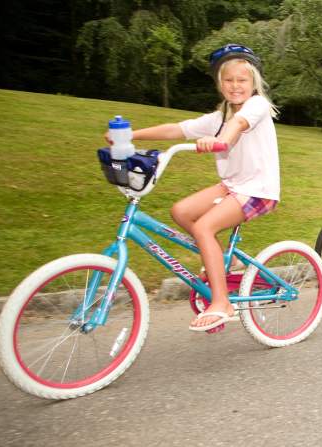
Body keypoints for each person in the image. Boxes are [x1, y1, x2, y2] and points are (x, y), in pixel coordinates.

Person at [105, 44, 280, 332]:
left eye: (242, 80)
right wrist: (128, 135)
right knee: (181, 211)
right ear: (219, 83)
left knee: (204, 228)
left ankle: (222, 302)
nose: (235, 86)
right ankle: (228, 260)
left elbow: (239, 124)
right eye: (228, 80)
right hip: (232, 185)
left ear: (253, 83)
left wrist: (221, 139)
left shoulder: (256, 105)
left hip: (258, 189)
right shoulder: (217, 118)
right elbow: (176, 130)